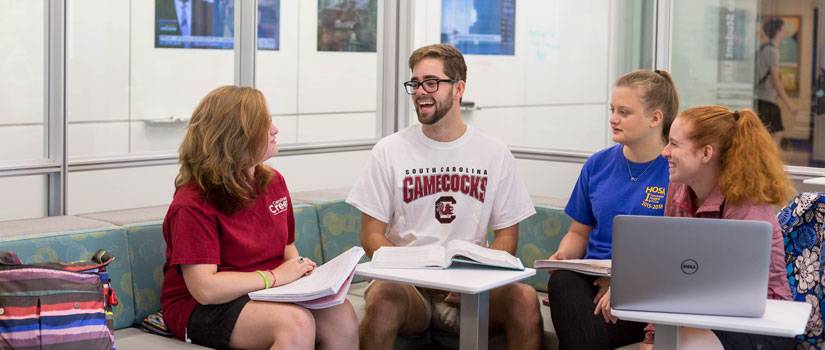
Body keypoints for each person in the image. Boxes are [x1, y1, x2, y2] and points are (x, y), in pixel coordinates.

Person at [347, 44, 542, 350]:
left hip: (471, 290)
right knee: (383, 297)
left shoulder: (494, 153)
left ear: (458, 88)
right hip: (410, 290)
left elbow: (507, 234)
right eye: (415, 83)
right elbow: (370, 234)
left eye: (431, 82)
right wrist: (412, 270)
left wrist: (476, 276)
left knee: (525, 299)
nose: (420, 91)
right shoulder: (389, 150)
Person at [160, 86, 358, 350]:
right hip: (204, 306)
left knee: (341, 315)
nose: (274, 129)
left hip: (268, 290)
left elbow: (287, 248)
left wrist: (306, 278)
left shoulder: (273, 182)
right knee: (295, 324)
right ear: (235, 138)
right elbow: (205, 289)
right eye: (263, 125)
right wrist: (275, 277)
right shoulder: (193, 203)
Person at [546, 69, 680, 350]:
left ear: (656, 118)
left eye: (624, 112)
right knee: (562, 282)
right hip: (592, 280)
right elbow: (578, 232)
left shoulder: (675, 172)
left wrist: (623, 284)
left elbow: (676, 253)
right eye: (612, 110)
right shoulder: (597, 164)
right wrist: (563, 256)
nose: (613, 119)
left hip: (645, 290)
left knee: (578, 332)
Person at [658, 105, 795, 349]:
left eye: (674, 144)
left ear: (706, 153)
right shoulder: (678, 189)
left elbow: (734, 291)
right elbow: (671, 270)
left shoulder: (748, 203)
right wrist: (651, 334)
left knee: (688, 340)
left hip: (762, 323)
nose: (664, 152)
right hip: (699, 313)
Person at [757, 18, 800, 143]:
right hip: (766, 100)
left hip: (763, 99)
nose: (785, 31)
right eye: (783, 28)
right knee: (776, 135)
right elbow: (776, 81)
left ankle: (766, 161)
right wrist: (789, 104)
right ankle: (768, 162)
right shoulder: (772, 51)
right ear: (778, 31)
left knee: (771, 135)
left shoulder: (766, 48)